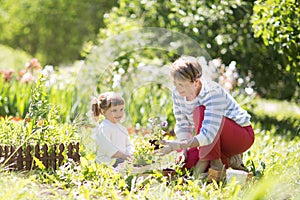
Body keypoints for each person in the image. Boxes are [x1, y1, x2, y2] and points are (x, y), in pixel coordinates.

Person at [159, 56, 255, 181]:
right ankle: (231, 161)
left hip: (239, 136)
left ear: (196, 82)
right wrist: (183, 149)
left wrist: (175, 145)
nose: (177, 88)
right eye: (175, 84)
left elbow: (208, 134)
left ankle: (217, 165)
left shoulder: (213, 93)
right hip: (214, 141)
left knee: (200, 111)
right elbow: (183, 125)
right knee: (186, 164)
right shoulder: (177, 94)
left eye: (181, 84)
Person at [91, 92, 134, 167]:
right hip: (108, 162)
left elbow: (128, 144)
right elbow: (108, 148)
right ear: (103, 112)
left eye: (121, 109)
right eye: (114, 110)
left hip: (121, 159)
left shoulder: (121, 128)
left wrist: (131, 153)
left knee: (139, 162)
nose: (119, 113)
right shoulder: (104, 127)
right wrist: (125, 157)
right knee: (127, 165)